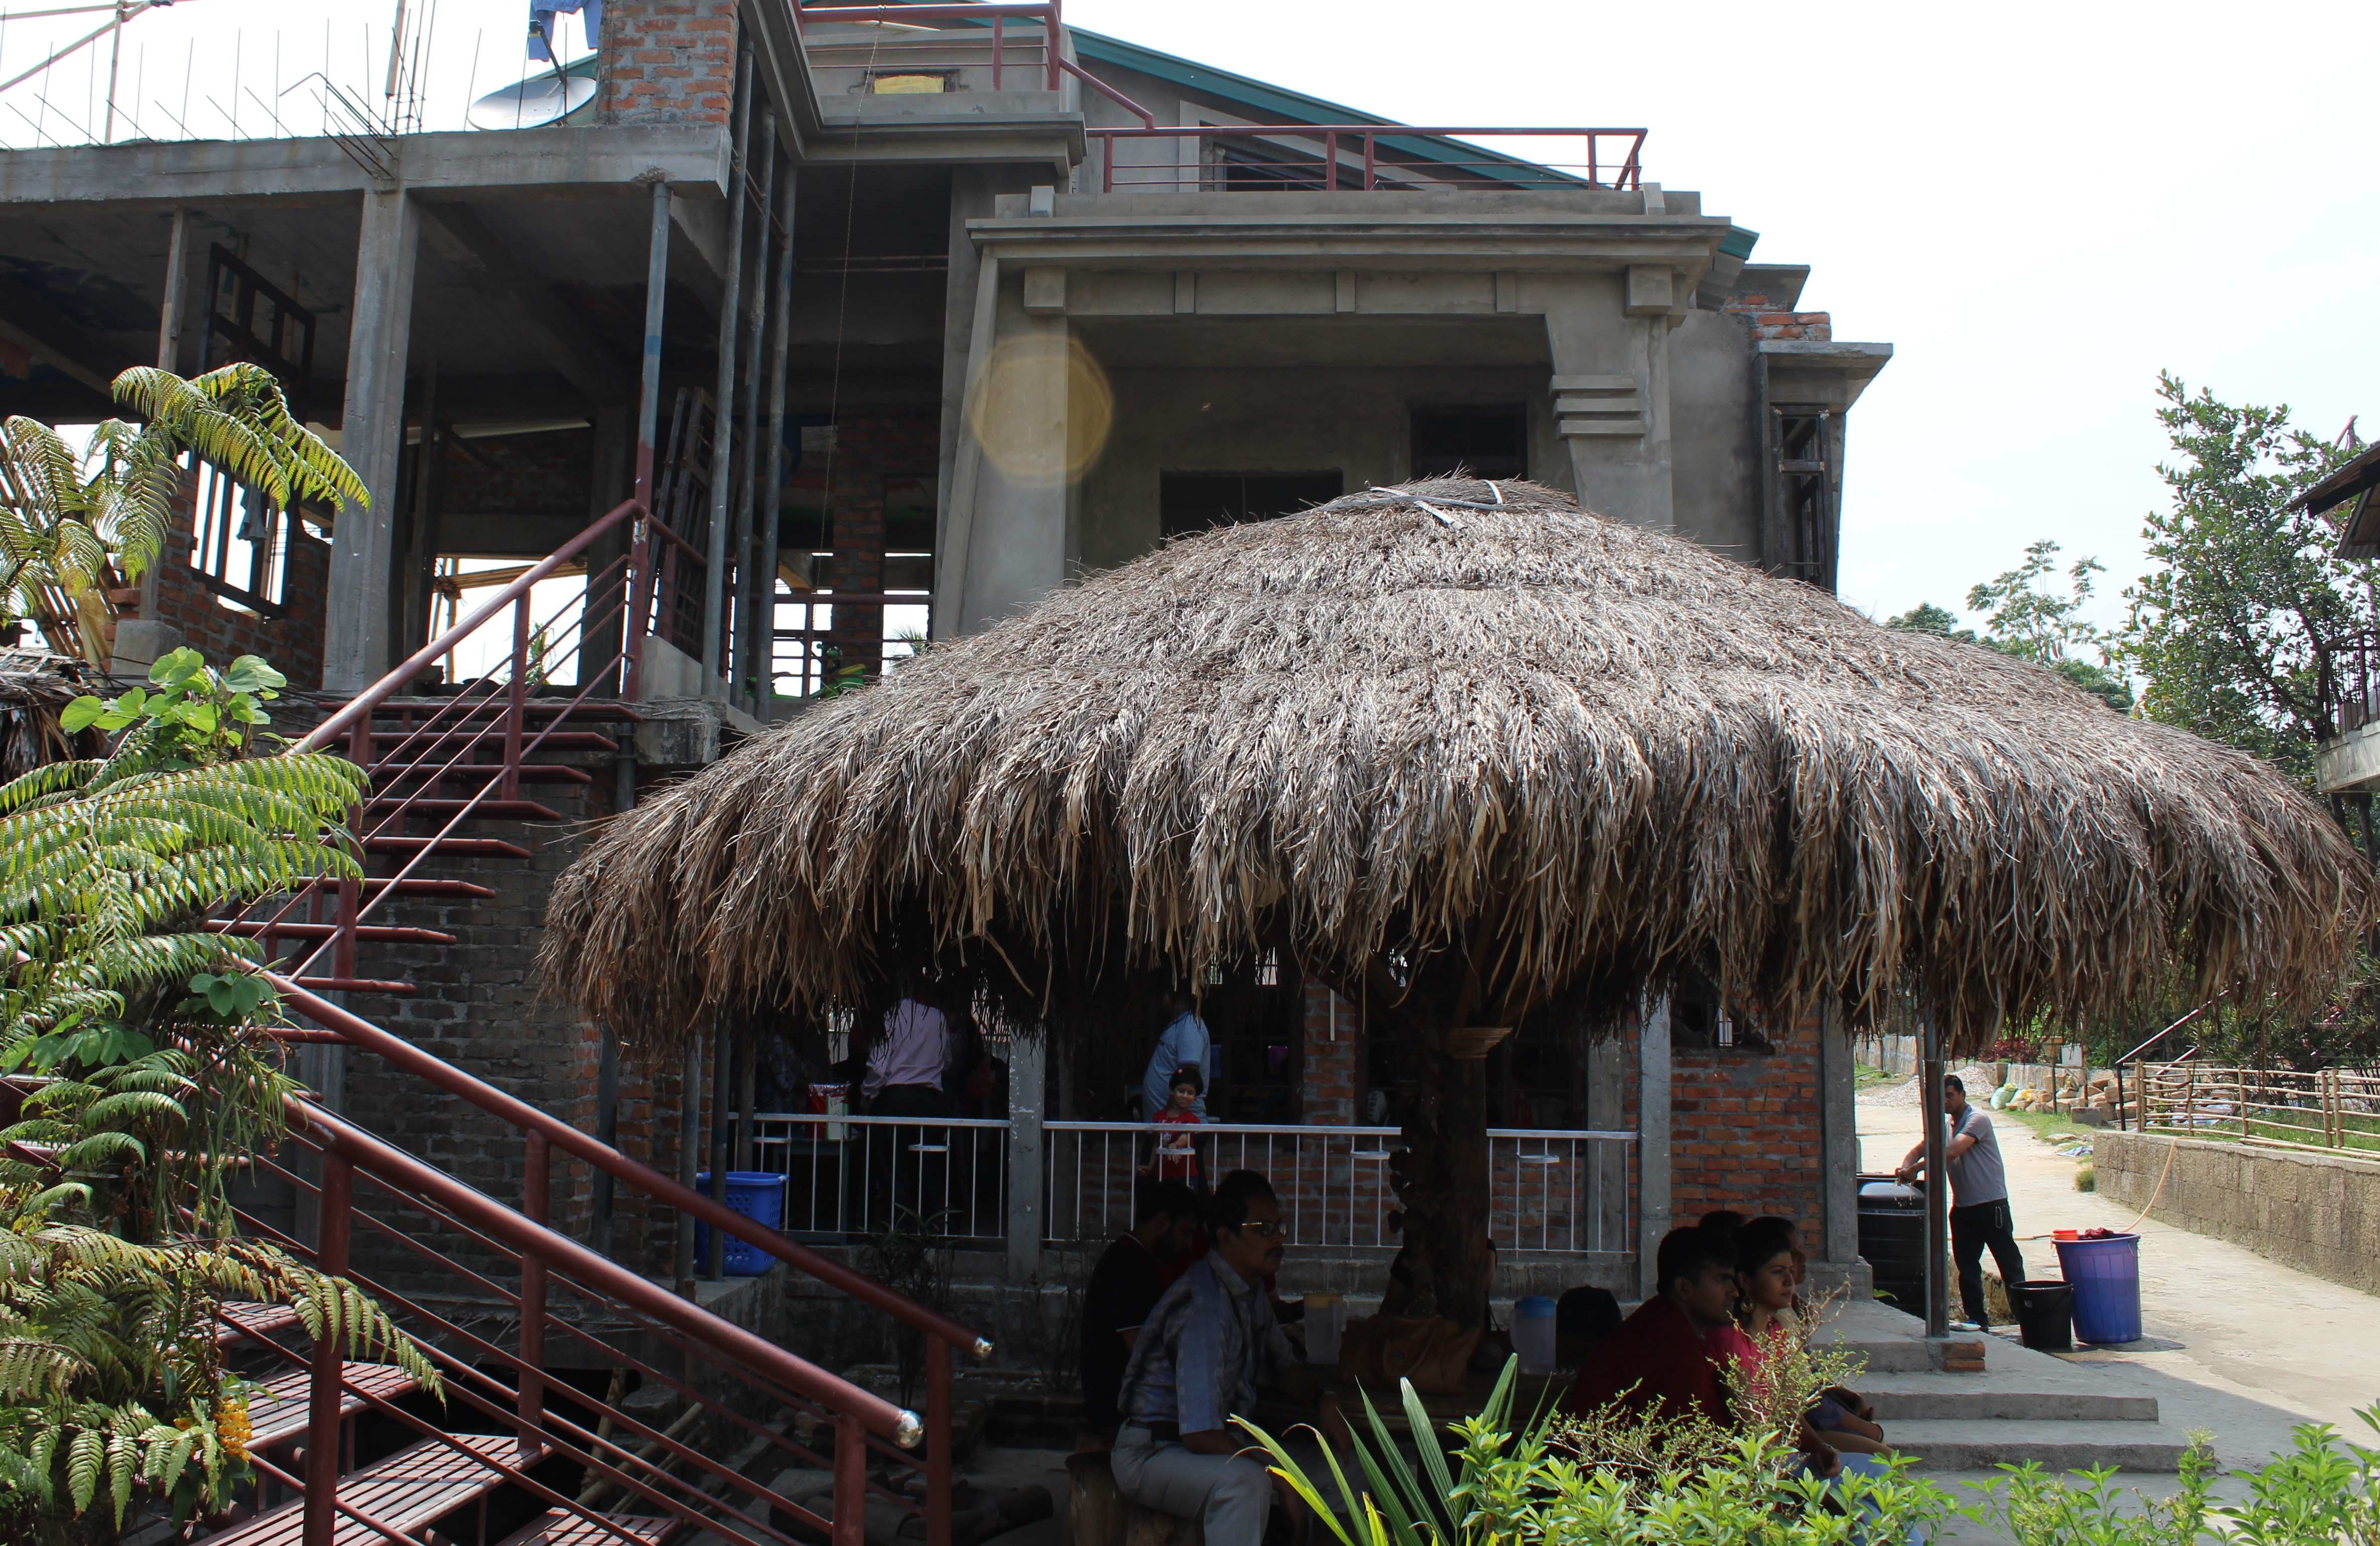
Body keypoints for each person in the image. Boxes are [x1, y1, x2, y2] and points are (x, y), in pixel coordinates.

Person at [1112, 1170, 1330, 1545]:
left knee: (1346, 1470)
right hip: (1154, 1452)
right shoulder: (1206, 1306)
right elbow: (1199, 1433)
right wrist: (1280, 1475)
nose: (1278, 1238)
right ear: (1225, 1237)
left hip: (1203, 1445)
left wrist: (1327, 1400)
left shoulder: (1250, 1290)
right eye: (1264, 1228)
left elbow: (1285, 1368)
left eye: (1280, 1226)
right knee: (1246, 1484)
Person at [1565, 1225, 1740, 1427]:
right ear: (1683, 1287)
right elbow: (1689, 1438)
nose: (1734, 1292)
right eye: (1722, 1279)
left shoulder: (1673, 1327)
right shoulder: (1666, 1339)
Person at [1896, 1073, 2025, 1334]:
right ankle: (1977, 1319)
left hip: (1991, 1205)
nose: (1946, 1102)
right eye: (1941, 1097)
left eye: (1950, 1096)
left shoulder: (1977, 1120)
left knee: (2009, 1264)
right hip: (1964, 1207)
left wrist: (1918, 1170)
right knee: (1966, 1266)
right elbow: (1918, 1150)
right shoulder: (1944, 1125)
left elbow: (1952, 1152)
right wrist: (1906, 1167)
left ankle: (2027, 1317)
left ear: (1962, 1096)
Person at [1078, 1179, 1203, 1451]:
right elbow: (1144, 1351)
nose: (1188, 1245)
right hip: (1118, 1410)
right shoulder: (1128, 1266)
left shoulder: (1137, 1259)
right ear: (1161, 1223)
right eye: (1185, 1233)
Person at [863, 988, 954, 1223]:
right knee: (930, 1165)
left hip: (896, 1099)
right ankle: (933, 1228)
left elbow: (879, 1068)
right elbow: (946, 1062)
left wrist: (868, 1094)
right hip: (931, 1101)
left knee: (893, 1168)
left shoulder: (893, 1014)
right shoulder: (939, 1018)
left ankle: (897, 1229)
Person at [1141, 990, 1213, 1120]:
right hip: (1171, 1127)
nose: (1159, 1001)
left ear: (1172, 996)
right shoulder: (1182, 1024)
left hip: (1179, 1129)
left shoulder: (1190, 1027)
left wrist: (1169, 1116)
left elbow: (1188, 1075)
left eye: (1162, 995)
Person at [1147, 1067, 1204, 1185]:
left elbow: (1185, 1137)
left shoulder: (1193, 1119)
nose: (1185, 1096)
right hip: (1162, 1173)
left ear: (1195, 1096)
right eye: (1181, 1091)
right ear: (1172, 1091)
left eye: (1190, 1093)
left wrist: (1175, 1145)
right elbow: (1156, 1145)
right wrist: (1150, 1167)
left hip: (1185, 1175)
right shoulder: (1159, 1117)